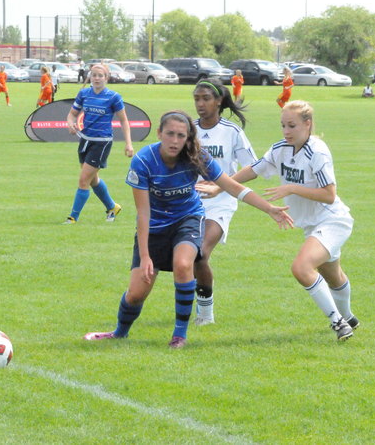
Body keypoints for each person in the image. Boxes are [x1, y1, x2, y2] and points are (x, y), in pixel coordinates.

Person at [83, 111, 293, 349]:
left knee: (183, 265)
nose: (175, 140)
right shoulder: (143, 161)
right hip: (154, 227)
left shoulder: (196, 156)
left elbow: (232, 186)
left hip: (188, 219)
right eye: (170, 134)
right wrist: (145, 256)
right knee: (136, 293)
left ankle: (179, 336)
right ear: (159, 133)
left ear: (188, 138)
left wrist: (269, 209)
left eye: (181, 136)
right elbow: (143, 213)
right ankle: (119, 333)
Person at [199, 100, 357, 341]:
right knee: (334, 276)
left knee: (301, 268)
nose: (286, 131)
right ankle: (349, 317)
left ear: (308, 124)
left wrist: (292, 188)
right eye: (283, 125)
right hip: (312, 225)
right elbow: (252, 170)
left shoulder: (317, 151)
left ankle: (339, 324)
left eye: (292, 126)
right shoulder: (280, 149)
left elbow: (329, 194)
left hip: (333, 220)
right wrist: (219, 187)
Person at [191, 79, 258, 325]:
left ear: (219, 101)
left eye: (206, 98)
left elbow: (253, 167)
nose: (200, 104)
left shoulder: (232, 132)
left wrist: (221, 186)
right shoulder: (188, 129)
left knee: (200, 254)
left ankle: (205, 314)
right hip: (189, 202)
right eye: (197, 99)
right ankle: (185, 307)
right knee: (184, 258)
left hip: (221, 202)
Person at [64, 63, 134, 224]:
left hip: (101, 143)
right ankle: (112, 207)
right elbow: (72, 114)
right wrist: (70, 123)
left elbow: (124, 121)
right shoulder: (84, 94)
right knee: (93, 179)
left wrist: (128, 144)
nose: (96, 78)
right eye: (94, 75)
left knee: (84, 180)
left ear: (106, 78)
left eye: (100, 76)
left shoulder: (113, 97)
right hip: (85, 140)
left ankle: (73, 217)